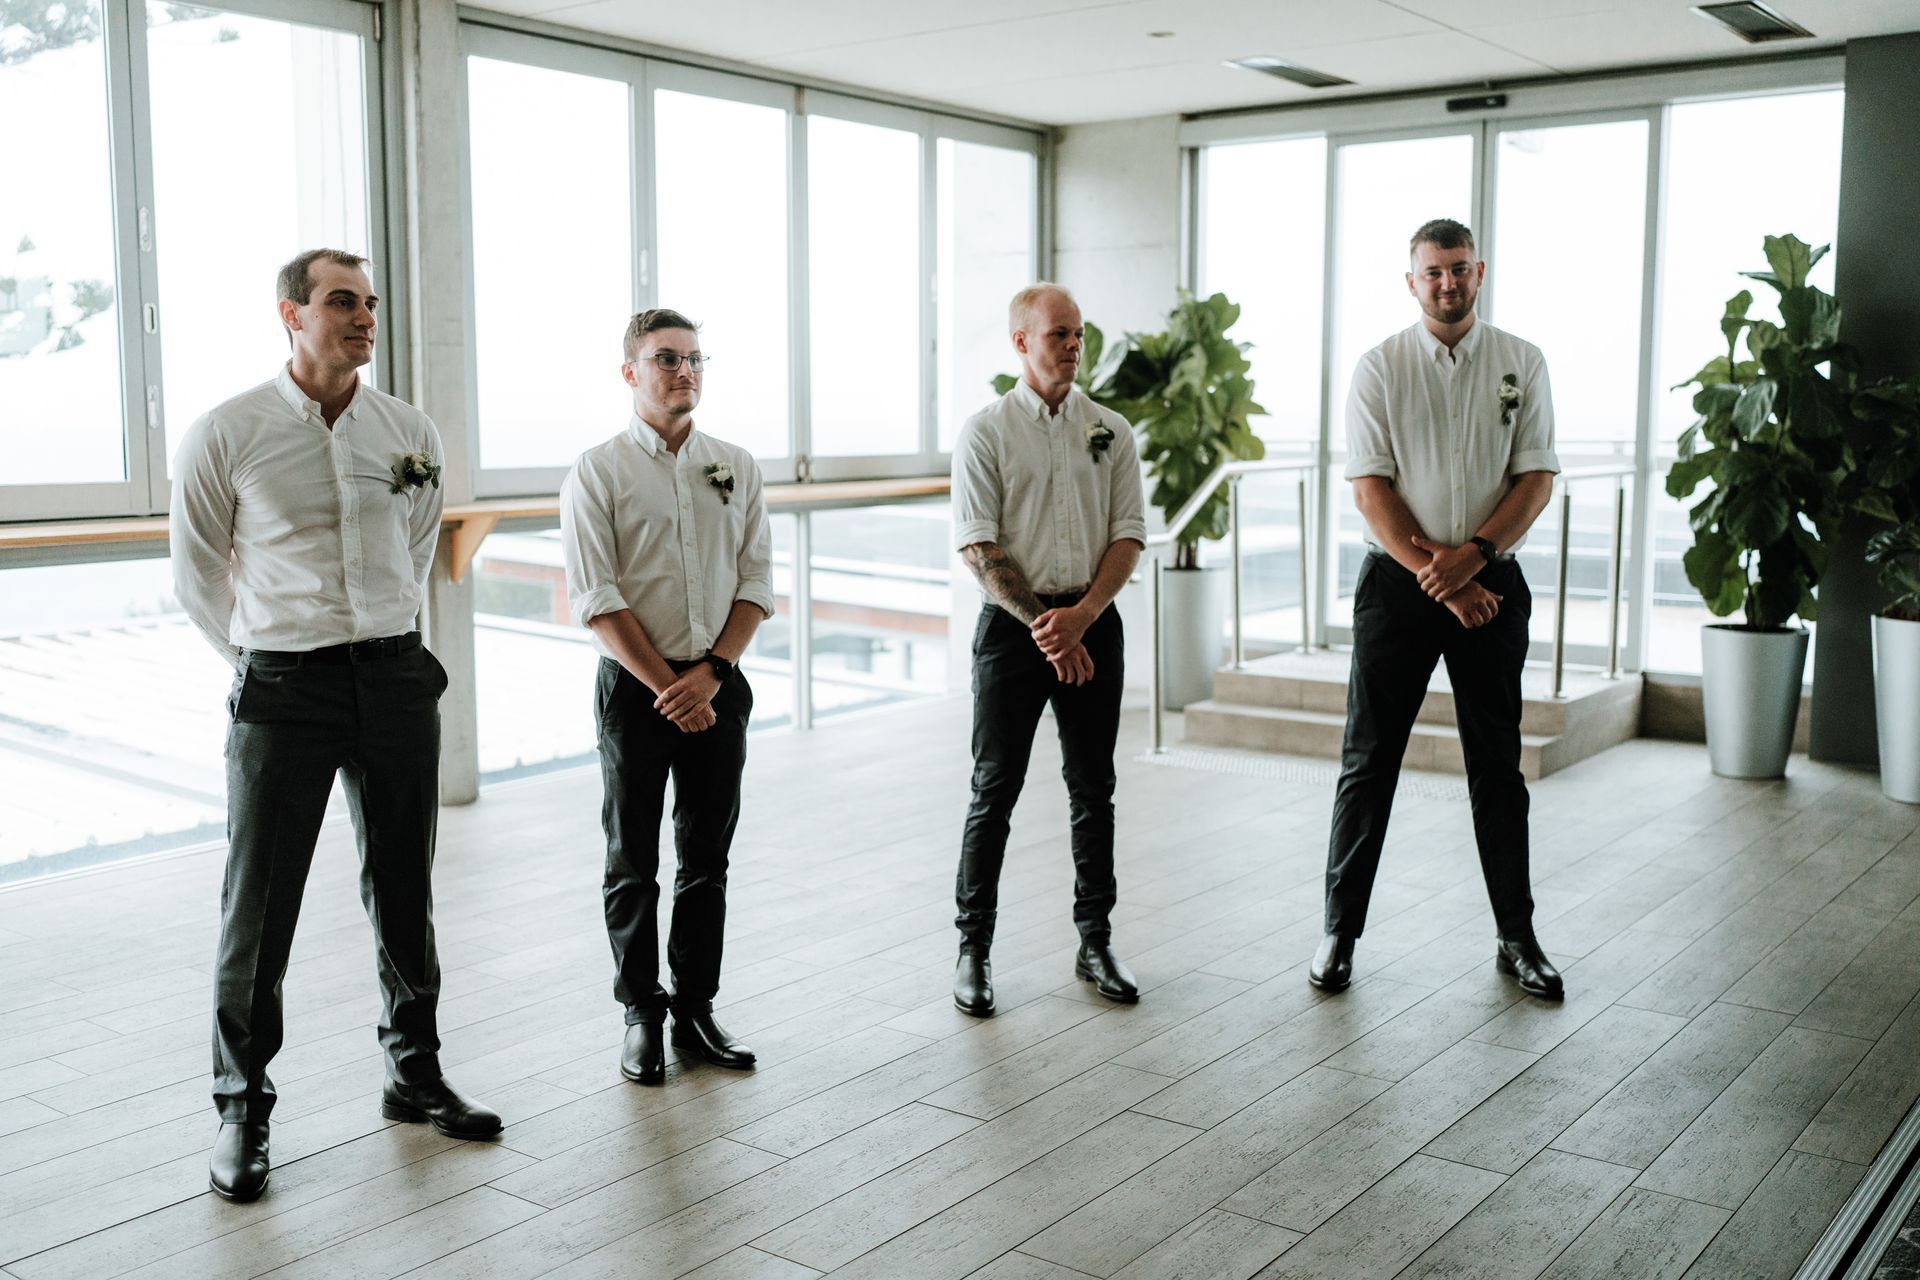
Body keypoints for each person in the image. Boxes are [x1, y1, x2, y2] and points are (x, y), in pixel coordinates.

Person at [171, 249, 500, 1204]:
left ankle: (414, 1071)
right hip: (284, 688)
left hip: (395, 677)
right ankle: (241, 1107)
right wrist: (260, 659)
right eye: (341, 302)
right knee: (259, 904)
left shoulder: (407, 429)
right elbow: (198, 577)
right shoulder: (226, 432)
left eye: (369, 303)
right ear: (291, 313)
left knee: (405, 882)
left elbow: (414, 538)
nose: (363, 317)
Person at [1309, 218, 1564, 1000]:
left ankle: (1516, 938)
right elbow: (1370, 489)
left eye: (1459, 269)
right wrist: (1442, 574)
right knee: (1369, 762)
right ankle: (1338, 935)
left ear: (1479, 272)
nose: (1448, 284)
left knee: (1497, 768)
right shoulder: (1379, 368)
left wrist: (1475, 560)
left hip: (1493, 587)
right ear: (1411, 281)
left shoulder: (1522, 361)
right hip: (1401, 590)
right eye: (1433, 273)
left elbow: (1535, 479)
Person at [560, 308, 773, 1085]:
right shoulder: (598, 471)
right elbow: (597, 597)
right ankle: (640, 1016)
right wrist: (669, 688)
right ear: (630, 372)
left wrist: (712, 673)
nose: (684, 372)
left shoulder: (736, 466)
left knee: (706, 857)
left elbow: (755, 583)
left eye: (694, 359)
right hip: (634, 690)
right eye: (665, 359)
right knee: (631, 858)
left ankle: (696, 1010)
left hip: (719, 682)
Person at [948, 282, 1148, 1017]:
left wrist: (1084, 616)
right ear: (1021, 343)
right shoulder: (987, 432)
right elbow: (978, 545)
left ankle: (1095, 941)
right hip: (1011, 627)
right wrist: (1045, 626)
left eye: (1078, 333)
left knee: (1094, 787)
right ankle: (974, 950)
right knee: (994, 789)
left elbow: (1128, 532)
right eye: (1058, 333)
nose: (1072, 345)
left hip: (1093, 621)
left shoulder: (1112, 430)